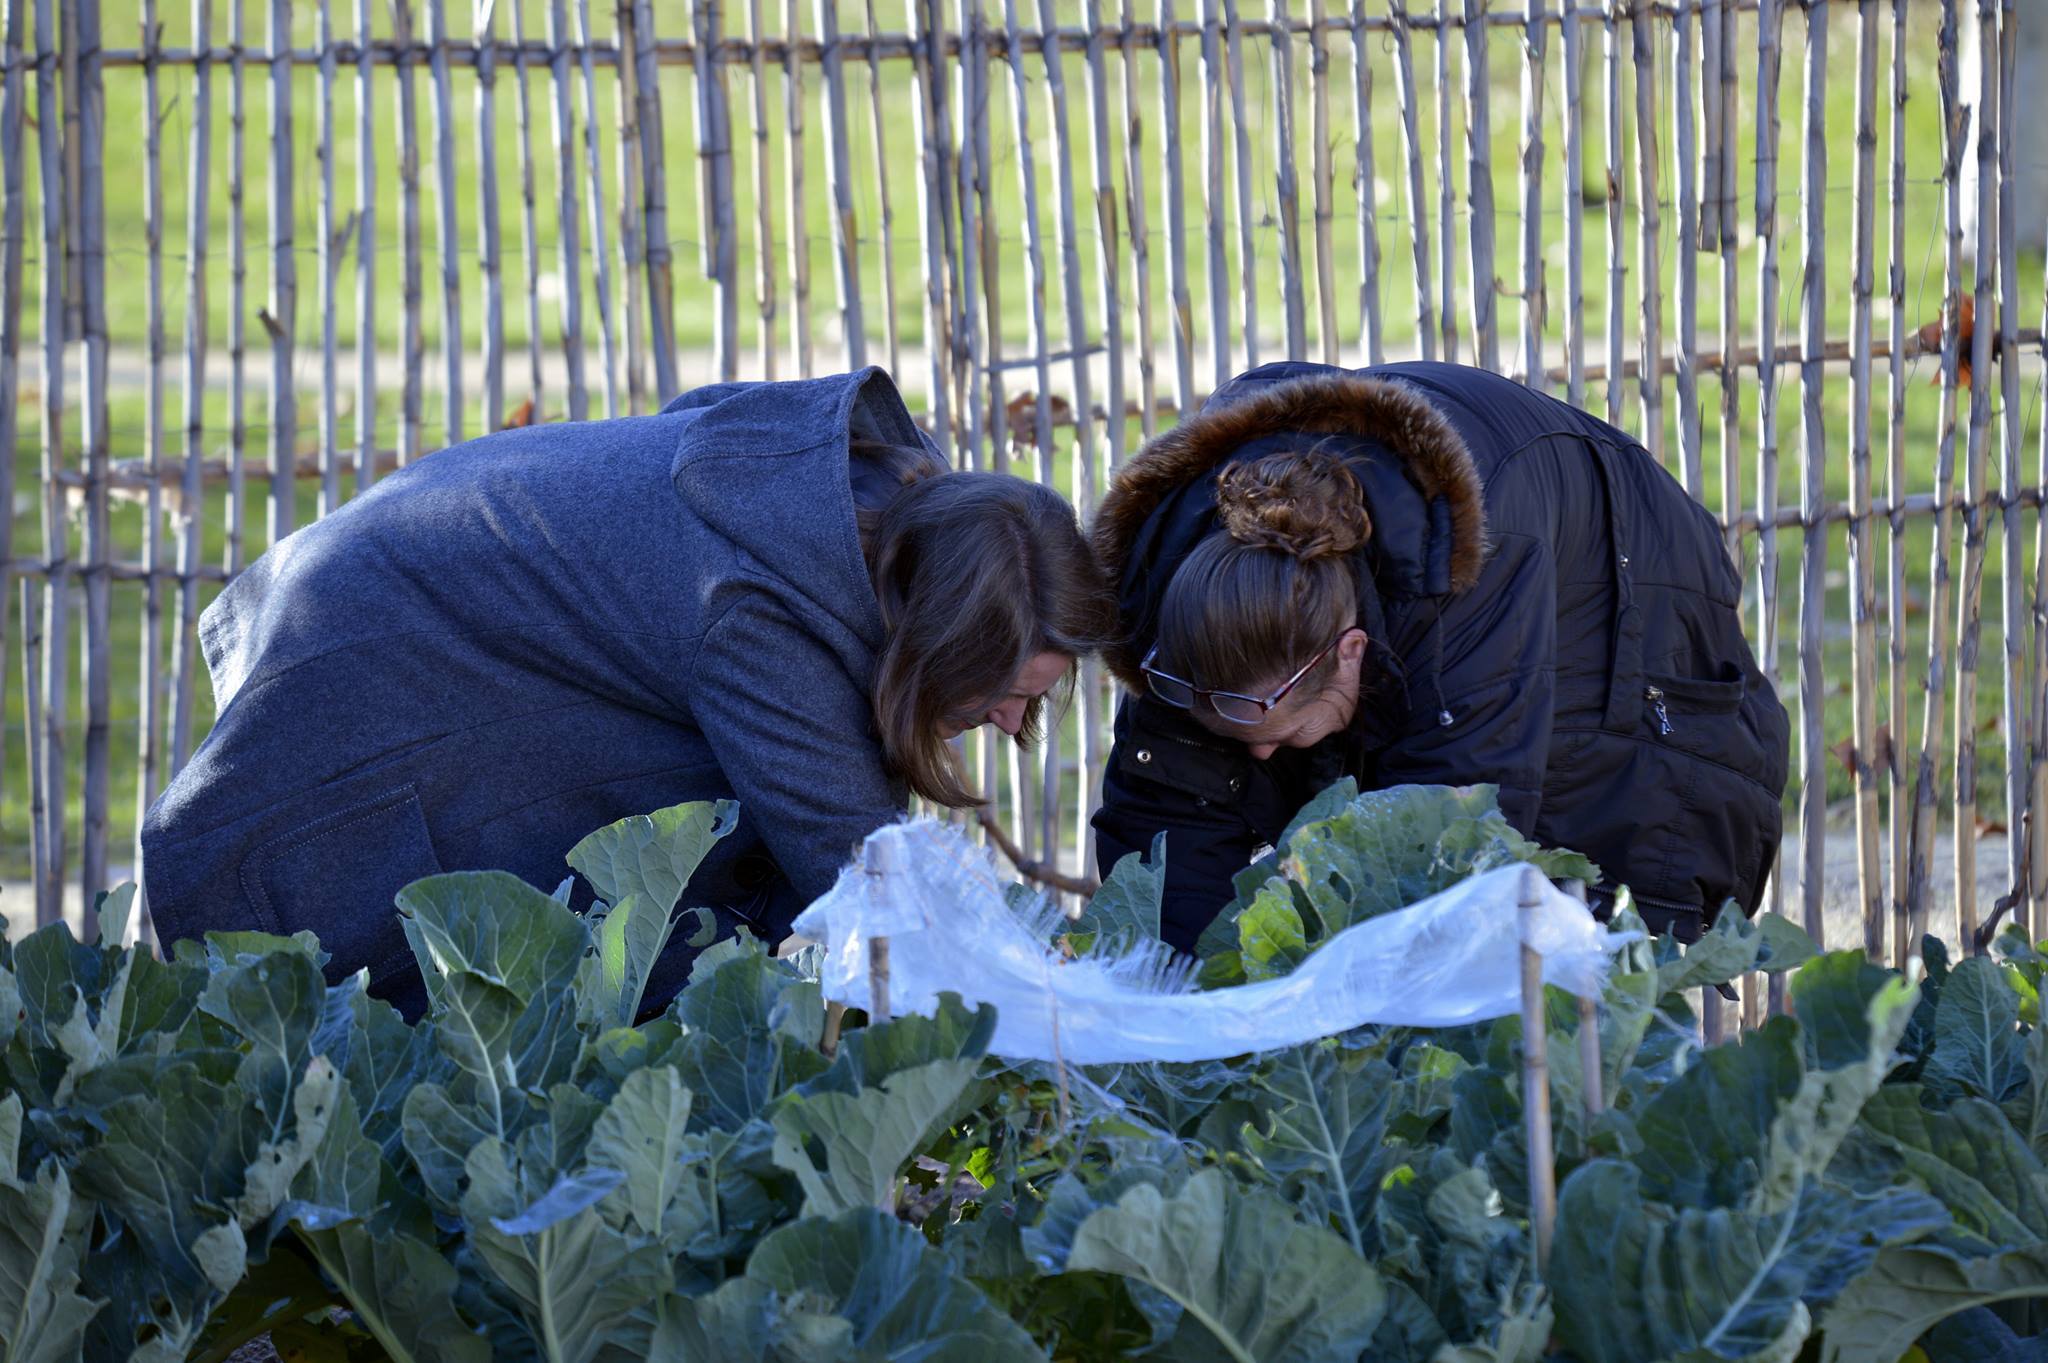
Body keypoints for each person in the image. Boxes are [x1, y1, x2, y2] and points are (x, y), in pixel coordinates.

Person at [142, 368, 1117, 1016]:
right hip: (374, 686)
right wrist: (1059, 1023)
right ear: (936, 637)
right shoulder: (757, 600)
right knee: (388, 1015)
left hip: (397, 599)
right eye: (995, 690)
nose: (1009, 720)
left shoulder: (860, 508)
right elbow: (864, 883)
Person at [1091, 360, 1789, 951]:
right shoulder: (1182, 595)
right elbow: (1168, 822)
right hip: (1435, 603)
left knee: (1571, 948)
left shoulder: (1474, 590)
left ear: (1350, 652)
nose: (1263, 757)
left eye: (1281, 735)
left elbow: (1449, 854)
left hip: (1626, 629)